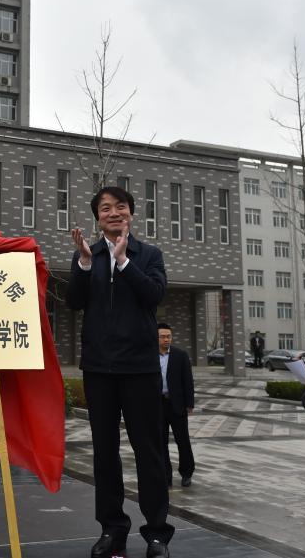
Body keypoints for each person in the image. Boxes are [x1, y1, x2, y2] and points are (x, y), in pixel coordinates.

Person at [66, 186, 173, 558]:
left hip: (140, 368)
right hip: (99, 368)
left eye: (120, 206)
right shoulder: (88, 255)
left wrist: (124, 261)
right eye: (105, 208)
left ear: (131, 213)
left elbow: (154, 296)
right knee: (104, 452)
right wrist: (83, 264)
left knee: (149, 451)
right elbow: (74, 302)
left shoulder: (149, 255)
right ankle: (112, 529)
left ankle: (157, 534)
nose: (113, 212)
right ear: (97, 217)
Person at [158, 323, 195, 488]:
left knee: (183, 441)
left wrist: (189, 404)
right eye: (162, 336)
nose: (166, 339)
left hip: (177, 404)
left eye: (168, 336)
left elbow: (188, 381)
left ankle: (186, 473)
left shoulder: (180, 355)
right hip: (157, 405)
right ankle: (166, 476)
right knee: (160, 442)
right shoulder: (148, 356)